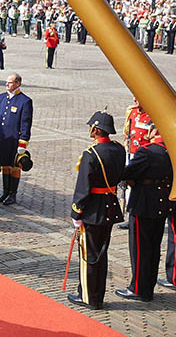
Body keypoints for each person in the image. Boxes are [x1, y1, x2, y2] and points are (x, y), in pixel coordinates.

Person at [66, 111, 125, 310]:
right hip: (109, 206)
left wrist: (77, 212)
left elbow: (83, 187)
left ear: (97, 129)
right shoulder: (119, 149)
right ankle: (98, 294)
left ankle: (88, 297)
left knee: (88, 257)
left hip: (92, 210)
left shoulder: (91, 154)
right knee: (101, 254)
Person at [117, 124, 173, 302]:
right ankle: (148, 286)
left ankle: (139, 289)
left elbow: (127, 172)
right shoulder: (171, 151)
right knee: (154, 248)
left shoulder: (146, 152)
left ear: (154, 131)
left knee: (140, 249)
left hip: (143, 202)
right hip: (161, 202)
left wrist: (130, 178)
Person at [0, 73, 33, 205]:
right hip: (3, 138)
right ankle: (5, 192)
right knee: (5, 165)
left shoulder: (25, 101)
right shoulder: (2, 97)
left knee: (14, 166)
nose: (6, 84)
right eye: (7, 82)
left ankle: (12, 194)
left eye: (9, 82)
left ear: (17, 84)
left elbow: (26, 123)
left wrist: (23, 142)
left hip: (15, 140)